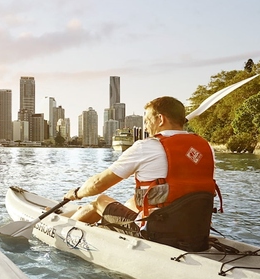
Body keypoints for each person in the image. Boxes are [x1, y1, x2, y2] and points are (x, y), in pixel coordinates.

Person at [63, 96, 221, 251]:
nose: (145, 127)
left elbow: (98, 183)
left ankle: (61, 232)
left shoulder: (146, 147)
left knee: (99, 201)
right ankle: (102, 225)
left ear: (160, 119)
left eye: (146, 121)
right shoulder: (206, 147)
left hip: (159, 233)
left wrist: (77, 193)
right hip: (196, 231)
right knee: (131, 202)